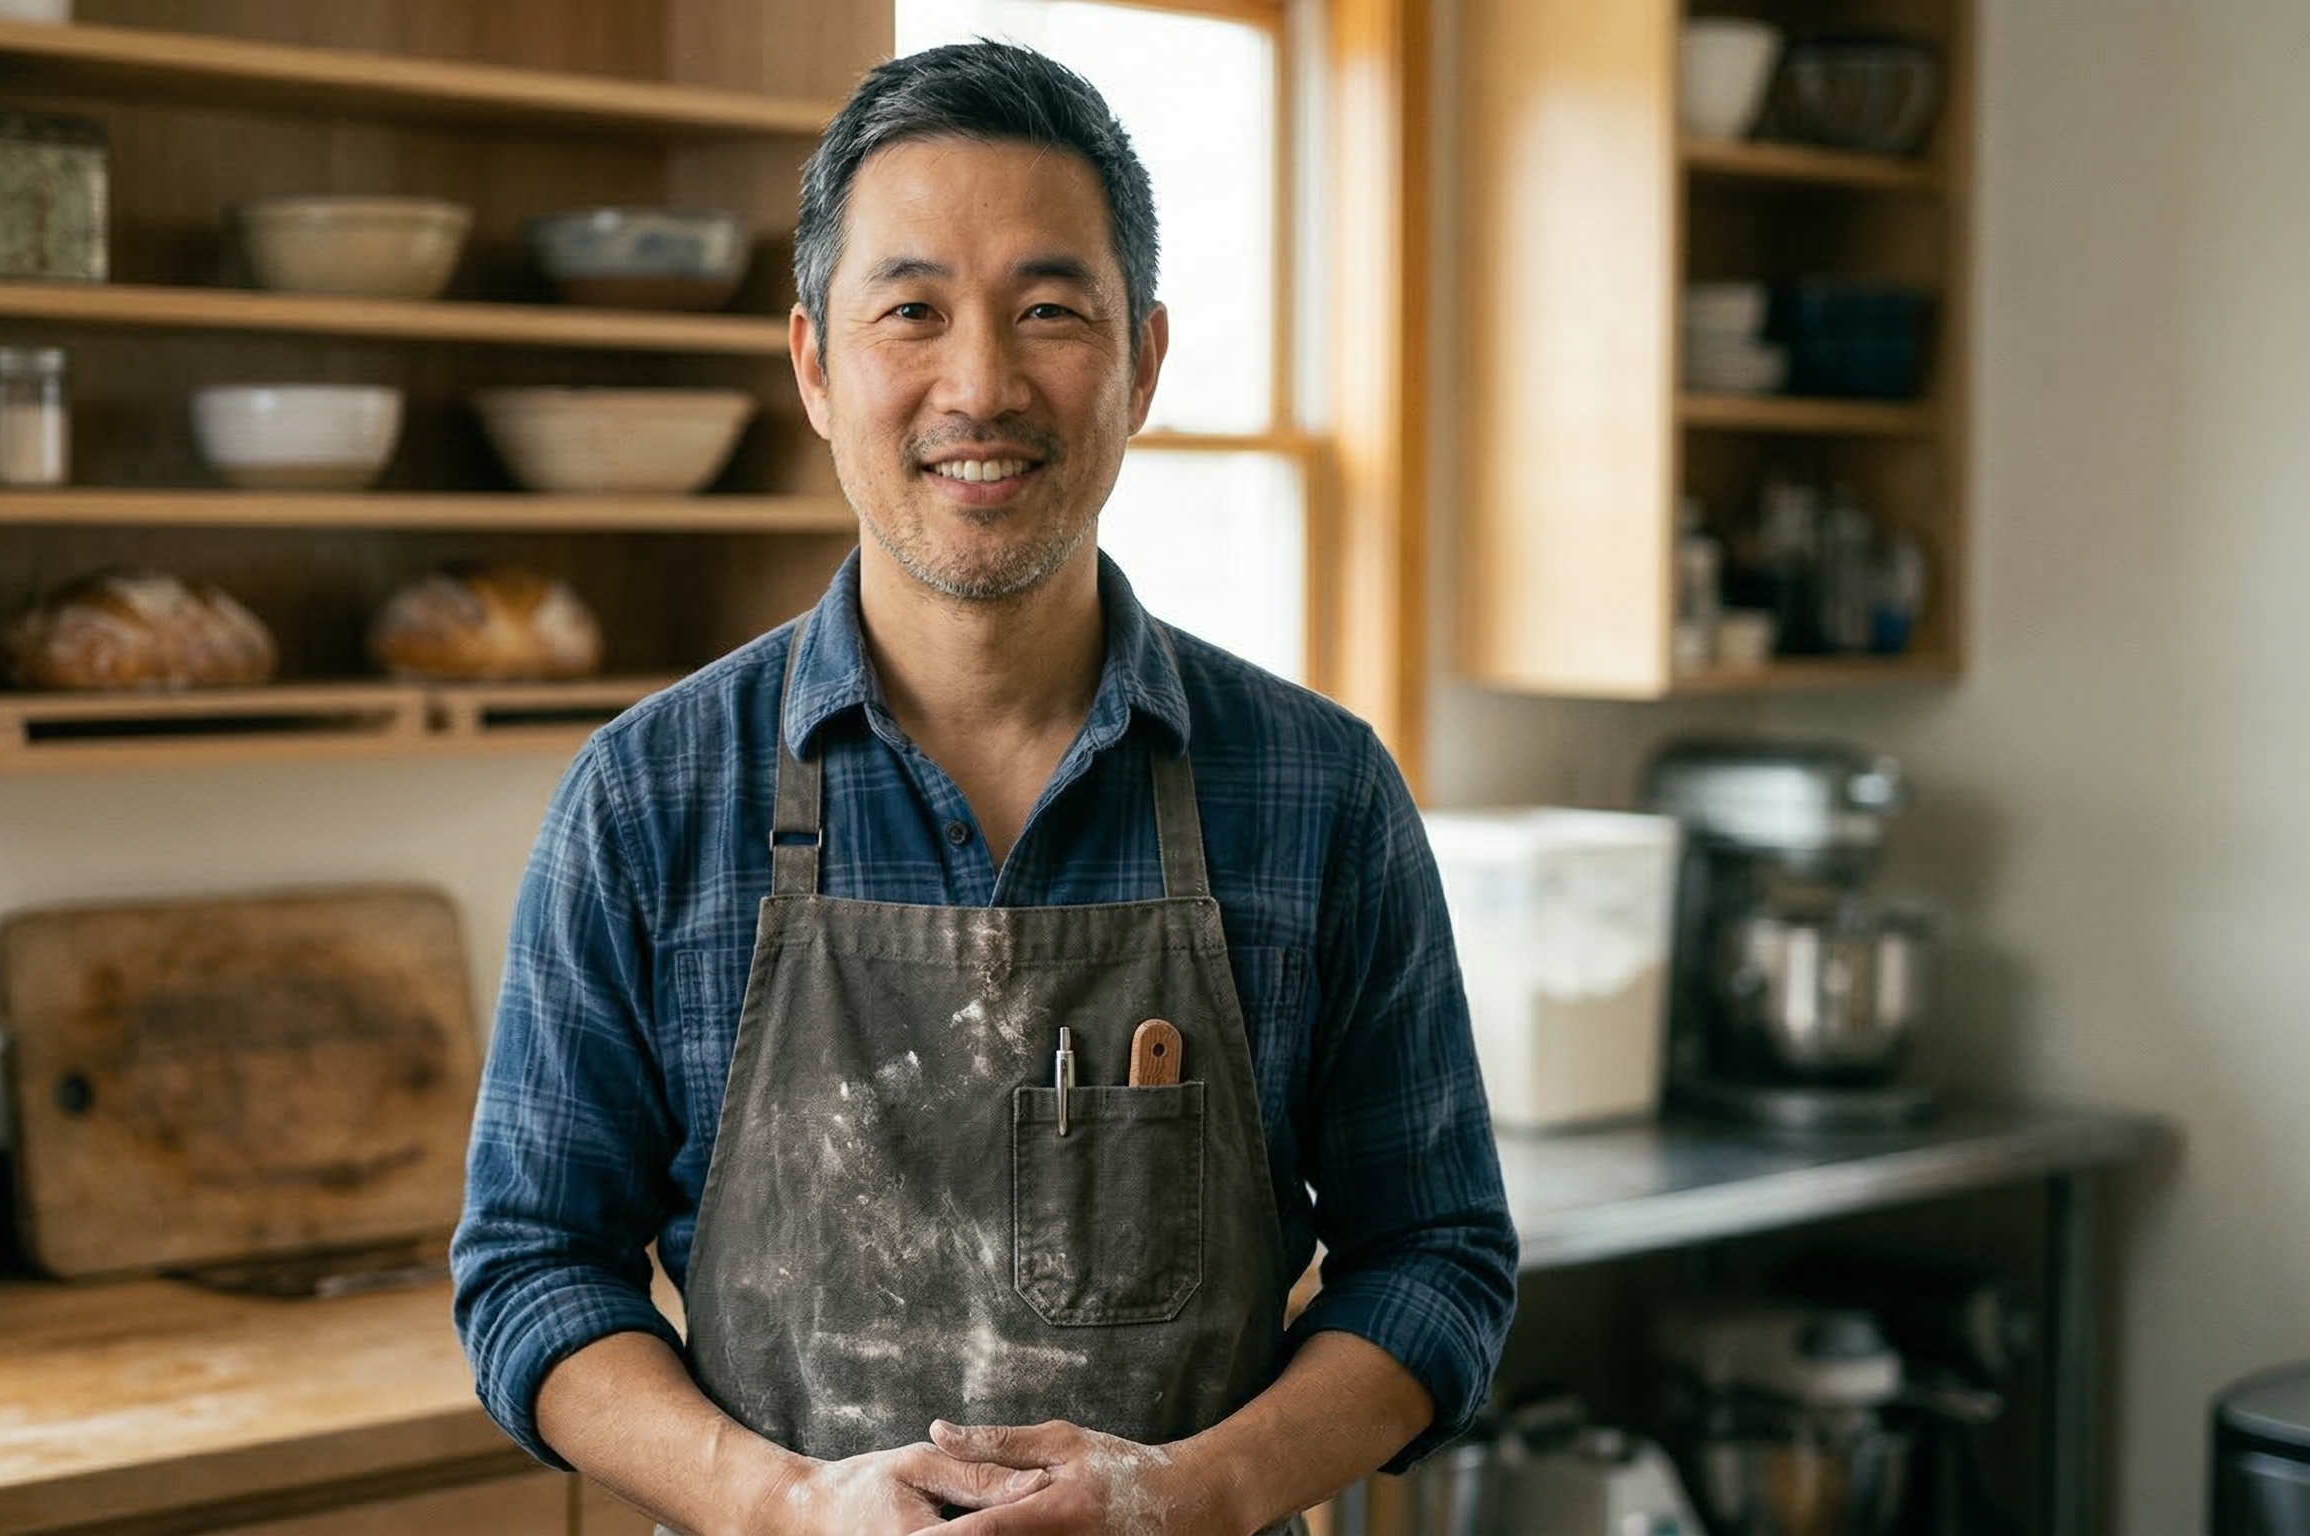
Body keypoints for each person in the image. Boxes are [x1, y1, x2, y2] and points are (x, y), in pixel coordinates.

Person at [454, 40, 1516, 1536]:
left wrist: (1192, 1496)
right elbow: (529, 1270)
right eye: (912, 313)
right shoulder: (647, 798)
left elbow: (1442, 1257)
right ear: (818, 367)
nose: (981, 385)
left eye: (1049, 313)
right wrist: (783, 1506)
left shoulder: (1318, 792)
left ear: (1141, 362)